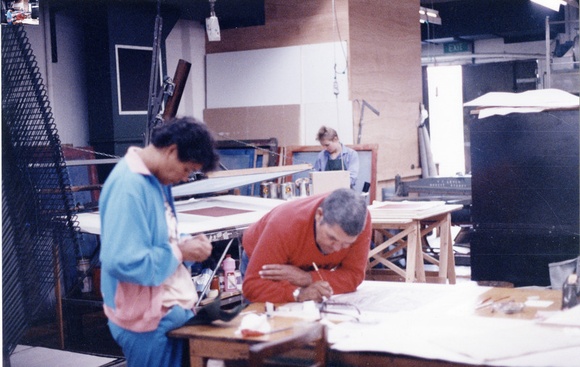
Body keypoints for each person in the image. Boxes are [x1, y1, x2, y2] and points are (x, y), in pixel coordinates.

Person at [99, 117, 220, 367]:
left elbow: (158, 237)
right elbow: (123, 262)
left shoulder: (156, 180)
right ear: (172, 151)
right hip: (146, 321)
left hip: (165, 313)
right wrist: (179, 251)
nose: (186, 178)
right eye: (187, 170)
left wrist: (185, 242)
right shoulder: (129, 186)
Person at [241, 188, 372, 303]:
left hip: (304, 266)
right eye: (332, 238)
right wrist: (298, 294)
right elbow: (253, 286)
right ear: (319, 215)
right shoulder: (285, 224)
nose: (336, 249)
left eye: (346, 244)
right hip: (268, 260)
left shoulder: (361, 221)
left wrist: (307, 278)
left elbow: (353, 275)